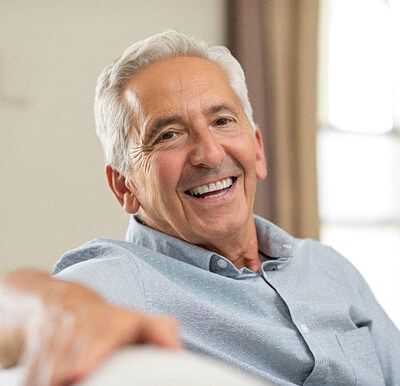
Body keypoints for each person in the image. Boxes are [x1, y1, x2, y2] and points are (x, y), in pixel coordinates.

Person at [1, 30, 399, 385]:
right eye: (169, 134)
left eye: (223, 121)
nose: (208, 154)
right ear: (125, 186)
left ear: (257, 149)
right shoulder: (123, 278)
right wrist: (58, 310)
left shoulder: (328, 268)